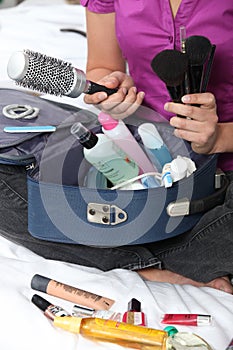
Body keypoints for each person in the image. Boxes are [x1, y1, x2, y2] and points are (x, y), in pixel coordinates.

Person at [0, 0, 233, 294]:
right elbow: (102, 67)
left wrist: (219, 137)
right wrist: (111, 92)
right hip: (134, 148)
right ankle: (153, 261)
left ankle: (125, 247)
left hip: (221, 175)